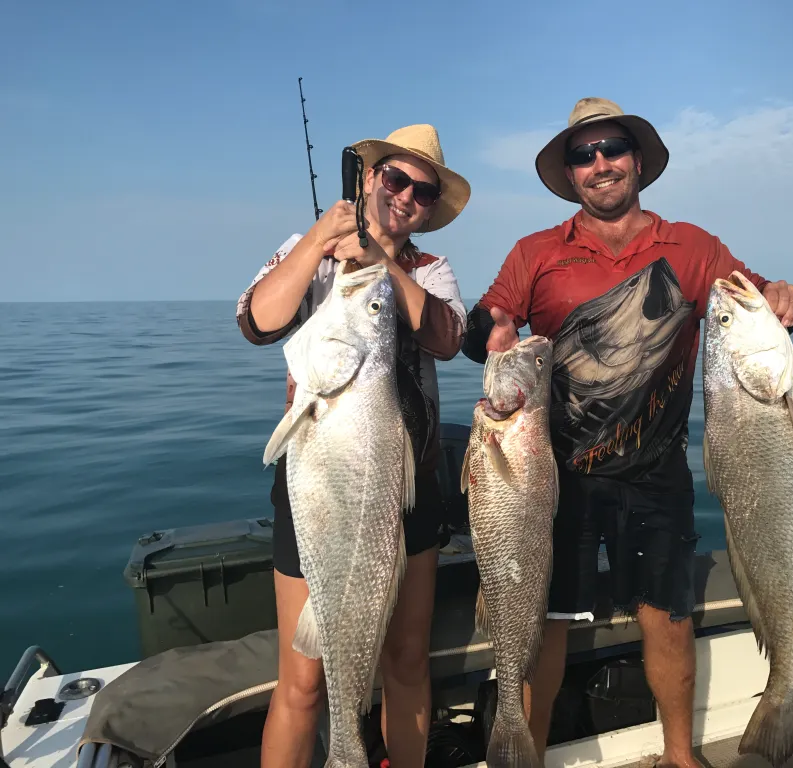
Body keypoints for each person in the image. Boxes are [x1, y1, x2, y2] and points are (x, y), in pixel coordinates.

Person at [460, 97, 793, 767]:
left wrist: (784, 296)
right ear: (570, 174)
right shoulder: (537, 254)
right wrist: (491, 332)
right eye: (583, 155)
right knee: (546, 624)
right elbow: (484, 325)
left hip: (658, 470)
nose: (600, 164)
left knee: (669, 619)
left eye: (612, 148)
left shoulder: (693, 248)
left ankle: (679, 756)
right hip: (554, 474)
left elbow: (756, 302)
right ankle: (523, 748)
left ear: (637, 160)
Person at [236, 124, 472, 768]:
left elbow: (449, 337)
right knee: (304, 678)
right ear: (368, 178)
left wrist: (384, 267)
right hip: (318, 481)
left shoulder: (431, 270)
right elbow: (257, 320)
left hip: (408, 487)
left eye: (423, 193)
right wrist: (320, 240)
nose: (406, 197)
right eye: (396, 179)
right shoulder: (306, 250)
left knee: (405, 659)